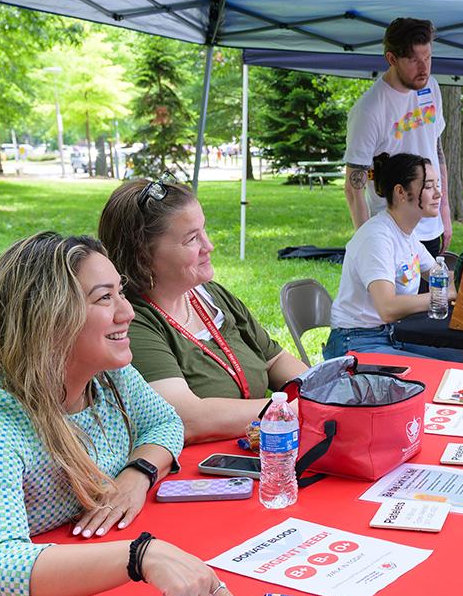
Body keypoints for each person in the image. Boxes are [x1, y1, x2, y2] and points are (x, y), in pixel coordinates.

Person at [0, 232, 249, 596]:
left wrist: (137, 475)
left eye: (121, 293)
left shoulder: (105, 376)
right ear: (48, 319)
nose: (128, 313)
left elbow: (164, 422)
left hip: (76, 585)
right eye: (105, 298)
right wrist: (140, 555)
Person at [98, 180, 310, 443]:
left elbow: (275, 360)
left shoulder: (210, 295)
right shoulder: (133, 321)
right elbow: (187, 419)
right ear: (143, 256)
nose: (208, 246)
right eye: (191, 239)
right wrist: (295, 411)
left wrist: (321, 392)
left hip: (258, 453)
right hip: (196, 475)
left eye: (204, 230)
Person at [324, 152, 463, 361]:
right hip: (356, 342)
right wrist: (444, 295)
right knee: (445, 375)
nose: (439, 194)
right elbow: (388, 308)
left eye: (438, 185)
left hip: (393, 334)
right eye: (428, 187)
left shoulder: (406, 235)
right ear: (401, 192)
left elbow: (441, 276)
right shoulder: (377, 237)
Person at [344, 17, 452, 256]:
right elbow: (353, 188)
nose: (424, 69)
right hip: (393, 231)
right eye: (414, 60)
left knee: (432, 294)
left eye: (428, 57)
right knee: (398, 295)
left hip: (431, 226)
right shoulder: (369, 110)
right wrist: (368, 245)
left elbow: (436, 148)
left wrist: (444, 211)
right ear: (391, 59)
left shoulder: (430, 87)